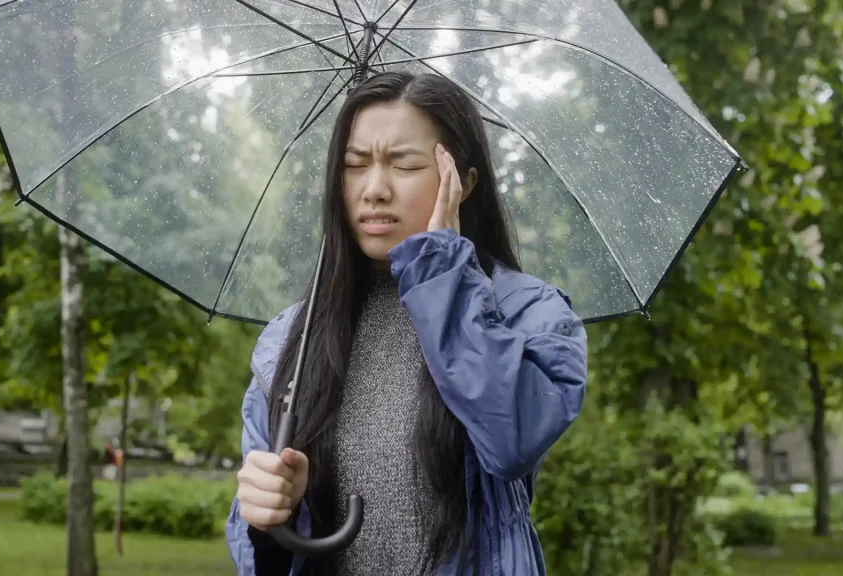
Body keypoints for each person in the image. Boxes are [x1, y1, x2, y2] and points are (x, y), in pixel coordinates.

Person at [226, 71, 588, 576]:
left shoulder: (529, 313)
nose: (374, 189)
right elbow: (261, 552)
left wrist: (442, 269)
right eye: (354, 166)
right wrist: (266, 519)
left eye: (405, 164)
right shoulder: (290, 339)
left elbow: (512, 439)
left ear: (463, 182)